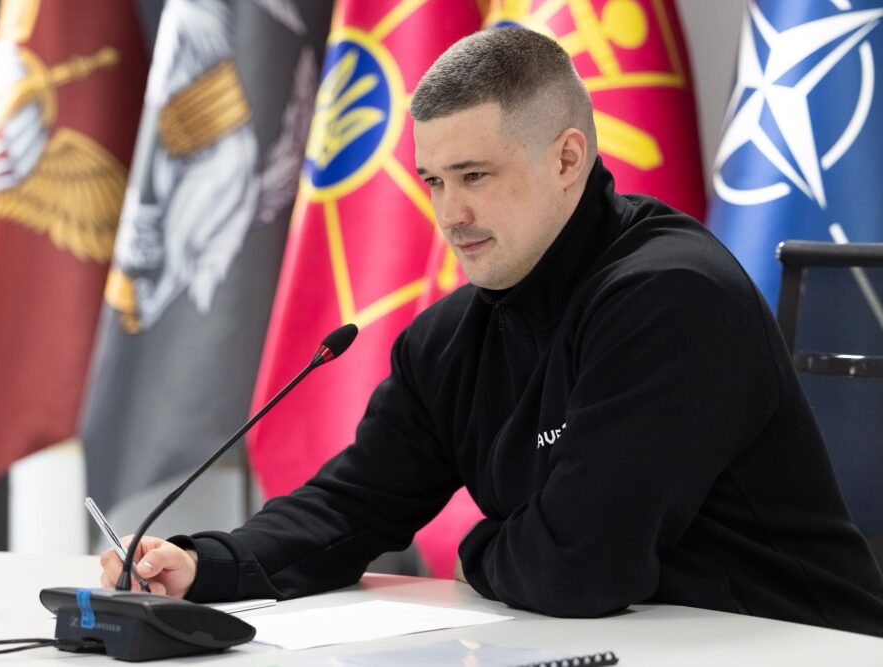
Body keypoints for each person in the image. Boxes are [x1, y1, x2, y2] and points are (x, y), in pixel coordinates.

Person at [100, 27, 883, 636]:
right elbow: (350, 507)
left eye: (475, 176)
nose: (450, 214)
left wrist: (474, 551)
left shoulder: (671, 298)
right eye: (433, 181)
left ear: (568, 159)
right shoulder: (449, 340)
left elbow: (579, 566)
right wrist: (206, 564)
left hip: (792, 644)